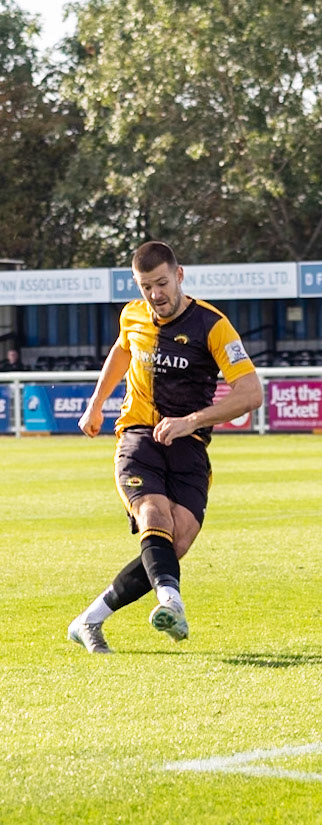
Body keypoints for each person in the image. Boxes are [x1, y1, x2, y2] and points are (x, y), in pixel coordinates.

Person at [66, 241, 262, 653]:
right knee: (153, 513)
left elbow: (250, 393)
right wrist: (96, 404)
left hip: (188, 442)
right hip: (138, 435)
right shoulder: (133, 315)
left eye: (161, 283)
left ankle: (89, 620)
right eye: (145, 286)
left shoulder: (214, 325)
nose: (155, 294)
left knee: (179, 540)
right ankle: (171, 602)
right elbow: (122, 349)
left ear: (179, 275)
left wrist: (191, 420)